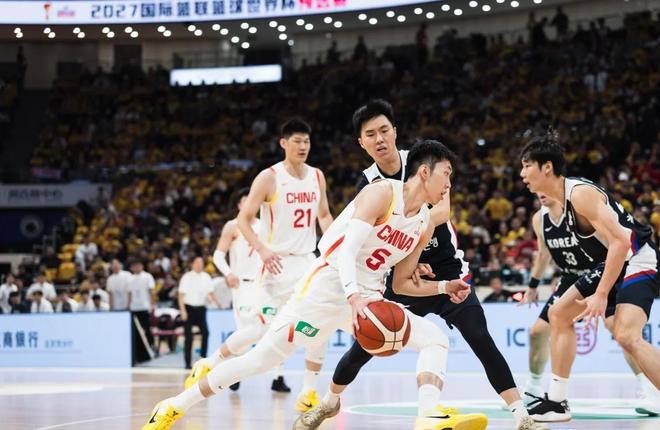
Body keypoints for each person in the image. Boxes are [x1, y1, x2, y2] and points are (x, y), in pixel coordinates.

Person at [142, 140, 486, 430]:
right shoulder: (382, 194)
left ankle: (428, 414)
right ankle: (173, 405)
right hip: (327, 287)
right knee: (260, 360)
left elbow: (402, 283)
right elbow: (347, 251)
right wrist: (353, 296)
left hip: (366, 296)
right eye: (446, 174)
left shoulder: (424, 223)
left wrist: (444, 287)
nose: (449, 185)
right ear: (424, 171)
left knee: (435, 338)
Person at [300, 99, 536, 430]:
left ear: (395, 132)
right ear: (362, 142)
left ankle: (521, 417)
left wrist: (414, 245)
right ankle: (328, 402)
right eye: (371, 134)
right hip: (402, 276)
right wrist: (406, 258)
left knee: (480, 337)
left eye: (384, 130)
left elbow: (442, 212)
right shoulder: (369, 185)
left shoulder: (425, 161)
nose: (380, 139)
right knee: (365, 345)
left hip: (446, 270)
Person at [184, 119, 334, 410]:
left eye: (306, 141)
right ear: (283, 143)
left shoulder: (317, 176)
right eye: (297, 141)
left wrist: (335, 247)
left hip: (307, 261)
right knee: (261, 331)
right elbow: (243, 219)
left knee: (321, 322)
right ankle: (210, 362)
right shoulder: (269, 177)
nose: (303, 146)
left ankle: (308, 391)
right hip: (276, 264)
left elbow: (325, 215)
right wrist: (262, 249)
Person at [519, 129, 660, 422]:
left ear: (547, 167)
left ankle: (650, 390)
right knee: (558, 314)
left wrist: (601, 293)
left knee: (626, 335)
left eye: (527, 166)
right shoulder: (555, 207)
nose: (522, 173)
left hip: (637, 257)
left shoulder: (580, 194)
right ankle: (557, 402)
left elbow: (621, 241)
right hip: (612, 262)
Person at [205, 187, 289, 392]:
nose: (251, 204)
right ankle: (234, 374)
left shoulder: (265, 225)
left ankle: (278, 377)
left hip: (266, 285)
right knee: (245, 332)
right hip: (242, 285)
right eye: (246, 201)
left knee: (274, 329)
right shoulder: (232, 226)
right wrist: (228, 273)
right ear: (239, 205)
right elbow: (218, 255)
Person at [178, 256, 221, 369]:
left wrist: (218, 304)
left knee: (206, 333)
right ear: (192, 264)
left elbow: (210, 293)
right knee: (188, 337)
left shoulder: (206, 277)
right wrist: (183, 311)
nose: (199, 265)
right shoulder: (187, 277)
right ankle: (187, 362)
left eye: (201, 262)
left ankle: (203, 358)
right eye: (197, 262)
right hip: (189, 308)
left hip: (201, 308)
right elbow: (181, 295)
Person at [128, 260, 156, 351]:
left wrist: (153, 304)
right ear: (132, 268)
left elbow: (152, 291)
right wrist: (128, 305)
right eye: (134, 266)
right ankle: (138, 349)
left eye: (138, 265)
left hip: (145, 307)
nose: (136, 268)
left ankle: (151, 347)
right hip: (133, 308)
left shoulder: (147, 276)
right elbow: (129, 293)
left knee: (147, 328)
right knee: (135, 331)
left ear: (141, 266)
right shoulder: (130, 278)